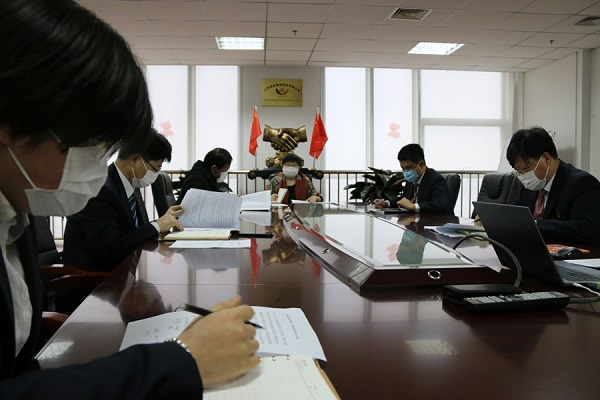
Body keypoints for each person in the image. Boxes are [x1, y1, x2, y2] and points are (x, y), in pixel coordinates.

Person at [0, 1, 258, 398]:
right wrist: (183, 360)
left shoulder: (11, 218)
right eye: (89, 143)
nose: (97, 162)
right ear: (12, 121)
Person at [63, 130, 184, 272]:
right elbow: (110, 252)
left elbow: (133, 235)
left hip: (121, 272)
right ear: (134, 160)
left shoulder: (126, 185)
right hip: (94, 280)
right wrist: (156, 226)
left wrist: (162, 221)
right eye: (155, 169)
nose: (156, 175)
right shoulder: (100, 190)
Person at [506, 126, 600, 245]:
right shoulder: (531, 186)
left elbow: (587, 229)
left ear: (546, 159)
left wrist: (535, 225)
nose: (523, 176)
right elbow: (513, 214)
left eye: (525, 169)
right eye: (518, 172)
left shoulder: (581, 183)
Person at [374, 144, 452, 214]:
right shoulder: (412, 179)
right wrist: (386, 203)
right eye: (403, 168)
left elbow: (442, 204)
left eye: (408, 168)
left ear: (421, 165)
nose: (406, 172)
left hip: (435, 223)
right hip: (415, 221)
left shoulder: (435, 179)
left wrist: (414, 207)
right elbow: (404, 199)